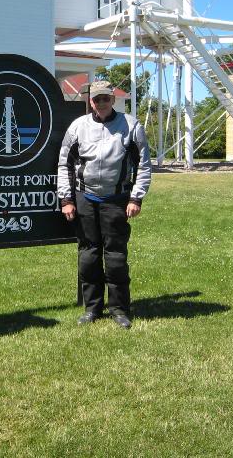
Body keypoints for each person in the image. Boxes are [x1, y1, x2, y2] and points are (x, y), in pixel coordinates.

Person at [57, 80, 152, 329]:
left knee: (116, 258)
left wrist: (135, 198)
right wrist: (66, 199)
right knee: (88, 257)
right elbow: (64, 164)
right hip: (85, 198)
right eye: (96, 99)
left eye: (105, 99)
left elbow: (143, 165)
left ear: (113, 100)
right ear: (90, 101)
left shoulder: (131, 126)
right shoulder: (78, 127)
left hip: (116, 200)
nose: (101, 103)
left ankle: (120, 309)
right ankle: (92, 309)